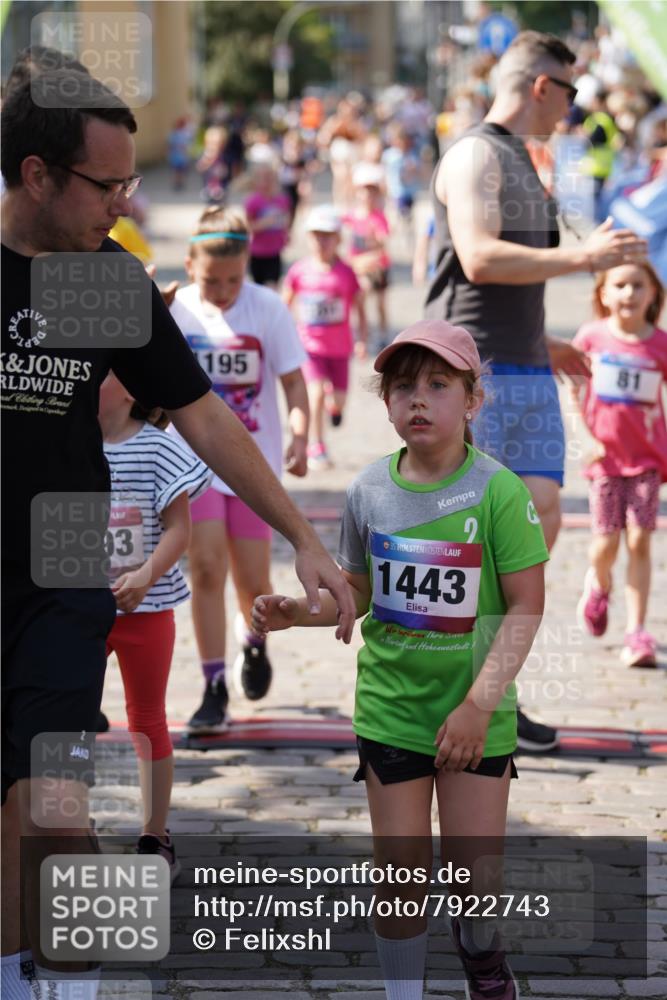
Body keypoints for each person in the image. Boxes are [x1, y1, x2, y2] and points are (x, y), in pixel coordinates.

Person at [1, 69, 355, 1000]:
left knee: (53, 799)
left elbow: (202, 416)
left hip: (62, 561)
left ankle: (78, 984)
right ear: (36, 174)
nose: (126, 203)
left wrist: (301, 536)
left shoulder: (102, 278)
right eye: (106, 185)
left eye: (129, 182)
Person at [252, 319, 549, 1000]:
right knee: (400, 876)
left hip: (474, 716)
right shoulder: (367, 491)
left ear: (472, 400)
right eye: (402, 387)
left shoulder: (498, 492)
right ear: (384, 402)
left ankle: (484, 967)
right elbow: (357, 593)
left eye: (438, 385)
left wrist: (478, 706)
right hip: (391, 711)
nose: (418, 399)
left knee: (474, 884)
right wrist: (300, 612)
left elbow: (525, 606)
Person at [425, 30, 648, 751]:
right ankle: (457, 694)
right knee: (475, 539)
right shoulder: (475, 153)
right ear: (542, 86)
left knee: (533, 526)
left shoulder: (524, 156)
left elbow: (509, 279)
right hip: (473, 371)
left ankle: (490, 692)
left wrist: (545, 343)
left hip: (522, 366)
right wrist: (584, 257)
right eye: (570, 92)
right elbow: (478, 259)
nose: (573, 109)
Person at [169, 206, 309, 730]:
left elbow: (293, 381)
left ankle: (252, 642)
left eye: (234, 279)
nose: (224, 291)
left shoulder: (267, 307)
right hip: (192, 463)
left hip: (253, 466)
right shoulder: (175, 310)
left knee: (254, 582)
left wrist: (300, 433)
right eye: (212, 280)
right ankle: (212, 685)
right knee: (206, 568)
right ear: (189, 265)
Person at [100, 373, 211, 878]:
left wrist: (145, 575)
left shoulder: (158, 448)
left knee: (146, 720)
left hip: (148, 611)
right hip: (80, 611)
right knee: (66, 718)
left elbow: (179, 530)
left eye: (101, 371)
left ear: (128, 388)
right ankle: (66, 825)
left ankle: (155, 833)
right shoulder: (68, 440)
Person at [573, 262, 667, 667]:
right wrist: (584, 437)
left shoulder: (661, 344)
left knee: (640, 539)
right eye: (620, 284)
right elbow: (571, 391)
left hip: (647, 458)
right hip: (605, 460)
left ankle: (637, 630)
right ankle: (599, 584)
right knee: (605, 543)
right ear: (603, 293)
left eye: (638, 285)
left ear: (653, 294)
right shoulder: (591, 338)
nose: (629, 292)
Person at [283, 204, 367, 471]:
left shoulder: (346, 273)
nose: (322, 241)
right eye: (316, 235)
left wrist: (362, 339)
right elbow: (284, 306)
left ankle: (335, 409)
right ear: (308, 238)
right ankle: (316, 445)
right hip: (309, 347)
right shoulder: (299, 271)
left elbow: (360, 307)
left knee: (338, 399)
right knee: (316, 393)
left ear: (338, 239)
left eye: (328, 236)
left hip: (340, 348)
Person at [345, 162, 391, 349]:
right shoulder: (351, 216)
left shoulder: (379, 217)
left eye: (372, 193)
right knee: (360, 297)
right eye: (364, 192)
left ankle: (382, 333)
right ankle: (362, 332)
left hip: (377, 267)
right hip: (358, 267)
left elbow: (383, 240)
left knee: (380, 303)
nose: (367, 197)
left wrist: (375, 239)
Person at [244, 147, 291, 288]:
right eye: (263, 178)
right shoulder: (252, 201)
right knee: (258, 288)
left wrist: (286, 233)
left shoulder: (282, 200)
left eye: (270, 178)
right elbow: (247, 227)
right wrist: (264, 223)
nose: (267, 182)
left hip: (274, 252)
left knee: (272, 287)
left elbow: (286, 220)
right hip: (257, 253)